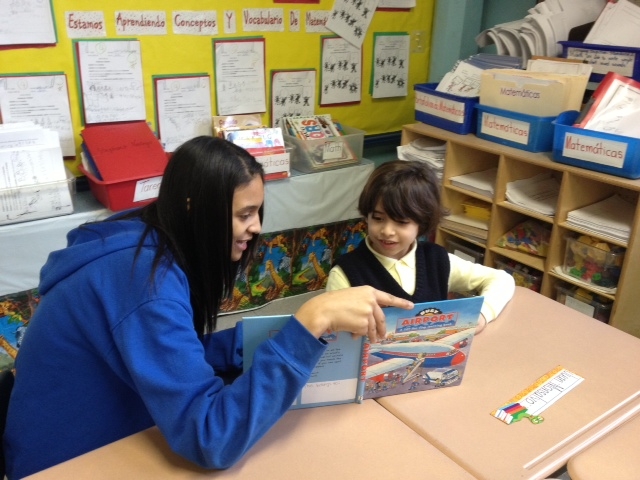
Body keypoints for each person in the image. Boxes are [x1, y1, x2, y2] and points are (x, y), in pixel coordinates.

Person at [3, 136, 413, 479]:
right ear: (191, 209)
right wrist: (310, 321)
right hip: (65, 461)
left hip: (104, 430)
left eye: (257, 212)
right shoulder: (145, 283)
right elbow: (211, 439)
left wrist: (277, 335)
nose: (255, 228)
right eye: (244, 214)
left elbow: (176, 349)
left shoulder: (146, 235)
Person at [326, 159, 515, 332]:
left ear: (422, 223)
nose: (387, 231)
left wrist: (481, 316)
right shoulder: (345, 274)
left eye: (401, 222)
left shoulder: (437, 260)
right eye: (377, 218)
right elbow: (333, 336)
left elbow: (502, 279)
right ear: (366, 215)